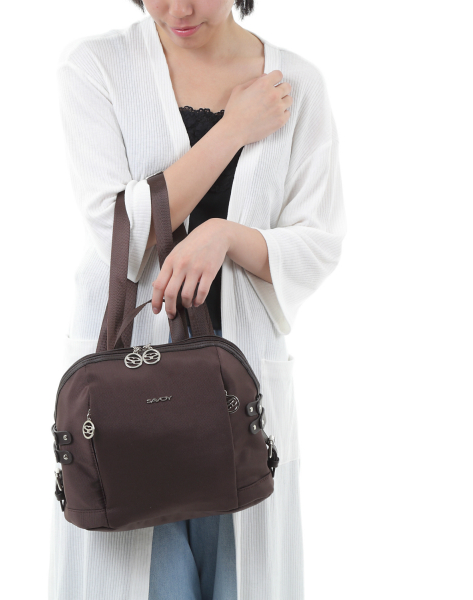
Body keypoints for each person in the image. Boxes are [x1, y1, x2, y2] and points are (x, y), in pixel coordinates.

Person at [49, 1, 347, 599]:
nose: (178, 9)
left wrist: (226, 236)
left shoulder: (297, 85)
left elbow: (319, 242)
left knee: (241, 581)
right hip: (125, 399)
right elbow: (118, 231)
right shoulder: (97, 66)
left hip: (240, 398)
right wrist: (233, 129)